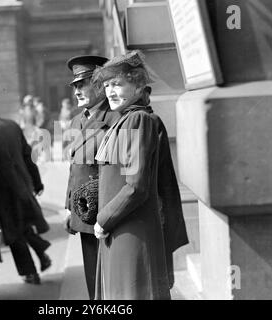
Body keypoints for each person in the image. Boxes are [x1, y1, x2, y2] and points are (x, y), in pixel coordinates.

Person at [92, 51, 189, 299]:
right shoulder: (125, 120)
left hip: (131, 232)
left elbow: (136, 186)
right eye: (106, 86)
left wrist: (103, 219)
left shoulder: (137, 120)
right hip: (122, 228)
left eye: (117, 84)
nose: (110, 92)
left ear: (137, 85)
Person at [0, 98, 52, 285]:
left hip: (0, 192)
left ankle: (30, 273)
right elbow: (28, 156)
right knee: (22, 225)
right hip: (22, 185)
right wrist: (37, 183)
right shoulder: (12, 125)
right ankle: (41, 252)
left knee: (11, 231)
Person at [64, 55, 120, 299]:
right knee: (93, 282)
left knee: (113, 284)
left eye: (82, 84)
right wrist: (69, 208)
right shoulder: (77, 121)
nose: (77, 92)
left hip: (109, 215)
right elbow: (75, 168)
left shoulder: (116, 118)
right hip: (85, 214)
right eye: (75, 86)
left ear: (99, 85)